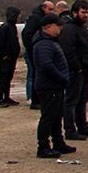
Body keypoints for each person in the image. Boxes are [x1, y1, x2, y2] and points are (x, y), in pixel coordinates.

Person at [32, 14, 76, 158]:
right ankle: (43, 146)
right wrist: (62, 78)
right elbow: (46, 66)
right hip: (49, 86)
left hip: (54, 86)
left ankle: (58, 142)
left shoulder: (50, 42)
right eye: (58, 26)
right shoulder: (44, 44)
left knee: (57, 116)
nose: (61, 28)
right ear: (49, 26)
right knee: (49, 117)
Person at [58, 0, 88, 141]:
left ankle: (83, 127)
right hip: (75, 72)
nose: (86, 15)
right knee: (71, 101)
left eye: (87, 12)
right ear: (74, 12)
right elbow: (68, 51)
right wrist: (78, 67)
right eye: (83, 12)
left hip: (84, 71)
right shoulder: (69, 29)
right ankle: (70, 130)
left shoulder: (81, 27)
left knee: (82, 99)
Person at [22, 1, 54, 109]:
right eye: (50, 9)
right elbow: (26, 34)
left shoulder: (40, 18)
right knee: (35, 75)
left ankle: (37, 99)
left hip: (37, 51)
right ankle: (34, 100)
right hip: (34, 52)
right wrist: (32, 49)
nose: (51, 12)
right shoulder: (35, 18)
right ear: (43, 8)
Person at [0, 6, 22, 106]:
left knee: (9, 77)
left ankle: (6, 96)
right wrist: (4, 55)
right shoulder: (5, 27)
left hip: (12, 55)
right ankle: (1, 98)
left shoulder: (12, 26)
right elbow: (0, 43)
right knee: (3, 77)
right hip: (6, 56)